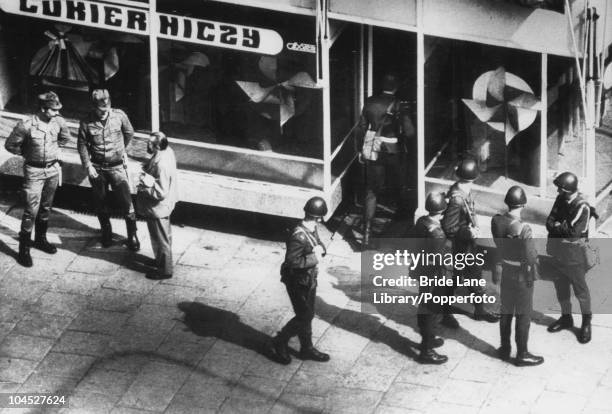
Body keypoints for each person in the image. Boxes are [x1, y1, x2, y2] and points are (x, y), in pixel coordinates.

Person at [4, 92, 71, 267]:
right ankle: (23, 249)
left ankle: (41, 239)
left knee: (46, 207)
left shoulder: (59, 122)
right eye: (53, 110)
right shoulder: (26, 125)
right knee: (30, 210)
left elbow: (65, 138)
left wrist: (55, 151)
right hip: (33, 171)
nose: (56, 113)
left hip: (53, 171)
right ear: (43, 109)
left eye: (58, 110)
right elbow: (10, 145)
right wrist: (26, 153)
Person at [355, 73, 415, 249]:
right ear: (396, 87)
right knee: (398, 187)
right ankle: (397, 229)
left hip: (374, 150)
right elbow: (410, 132)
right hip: (393, 152)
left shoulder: (370, 101)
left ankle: (366, 236)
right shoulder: (398, 104)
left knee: (371, 191)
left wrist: (361, 149)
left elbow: (361, 127)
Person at [77, 89, 140, 251]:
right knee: (101, 202)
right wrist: (88, 165)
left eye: (107, 108)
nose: (104, 112)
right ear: (94, 107)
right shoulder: (86, 121)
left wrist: (120, 150)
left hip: (117, 167)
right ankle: (106, 232)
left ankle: (132, 235)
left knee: (126, 202)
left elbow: (129, 132)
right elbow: (82, 144)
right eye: (101, 110)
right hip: (97, 168)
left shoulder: (119, 116)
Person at [272, 197, 330, 365]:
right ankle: (280, 341)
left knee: (308, 314)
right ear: (318, 217)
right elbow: (292, 261)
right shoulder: (299, 236)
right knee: (305, 315)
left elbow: (318, 244)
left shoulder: (310, 228)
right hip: (297, 281)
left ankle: (307, 348)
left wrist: (320, 251)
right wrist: (315, 258)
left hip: (309, 278)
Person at [440, 158, 498, 327]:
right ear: (474, 177)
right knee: (454, 280)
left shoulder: (461, 189)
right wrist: (468, 231)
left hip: (467, 246)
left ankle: (479, 310)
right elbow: (449, 227)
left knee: (474, 275)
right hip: (459, 247)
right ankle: (445, 313)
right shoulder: (457, 198)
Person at [491, 186, 544, 366]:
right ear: (523, 205)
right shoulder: (524, 229)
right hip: (522, 276)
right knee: (523, 315)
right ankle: (522, 354)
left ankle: (504, 348)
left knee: (506, 312)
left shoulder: (496, 221)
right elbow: (530, 257)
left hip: (506, 271)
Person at [545, 172, 593, 344]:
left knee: (581, 291)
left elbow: (573, 234)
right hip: (559, 253)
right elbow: (549, 222)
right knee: (561, 287)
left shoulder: (583, 207)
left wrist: (557, 226)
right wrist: (560, 226)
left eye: (560, 188)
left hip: (574, 257)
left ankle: (586, 323)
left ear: (568, 190)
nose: (558, 191)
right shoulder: (560, 200)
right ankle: (566, 317)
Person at [412, 192, 449, 364]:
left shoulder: (421, 222)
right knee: (432, 312)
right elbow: (440, 260)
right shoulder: (437, 234)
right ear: (442, 211)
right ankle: (427, 350)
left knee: (424, 306)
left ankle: (427, 339)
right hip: (434, 276)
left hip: (421, 272)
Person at [136, 132, 178, 280]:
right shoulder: (168, 152)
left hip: (158, 207)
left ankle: (165, 270)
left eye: (150, 144)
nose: (147, 145)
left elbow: (160, 192)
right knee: (165, 236)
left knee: (160, 238)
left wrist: (143, 186)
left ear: (158, 146)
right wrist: (148, 167)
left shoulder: (162, 165)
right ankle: (163, 261)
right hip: (164, 206)